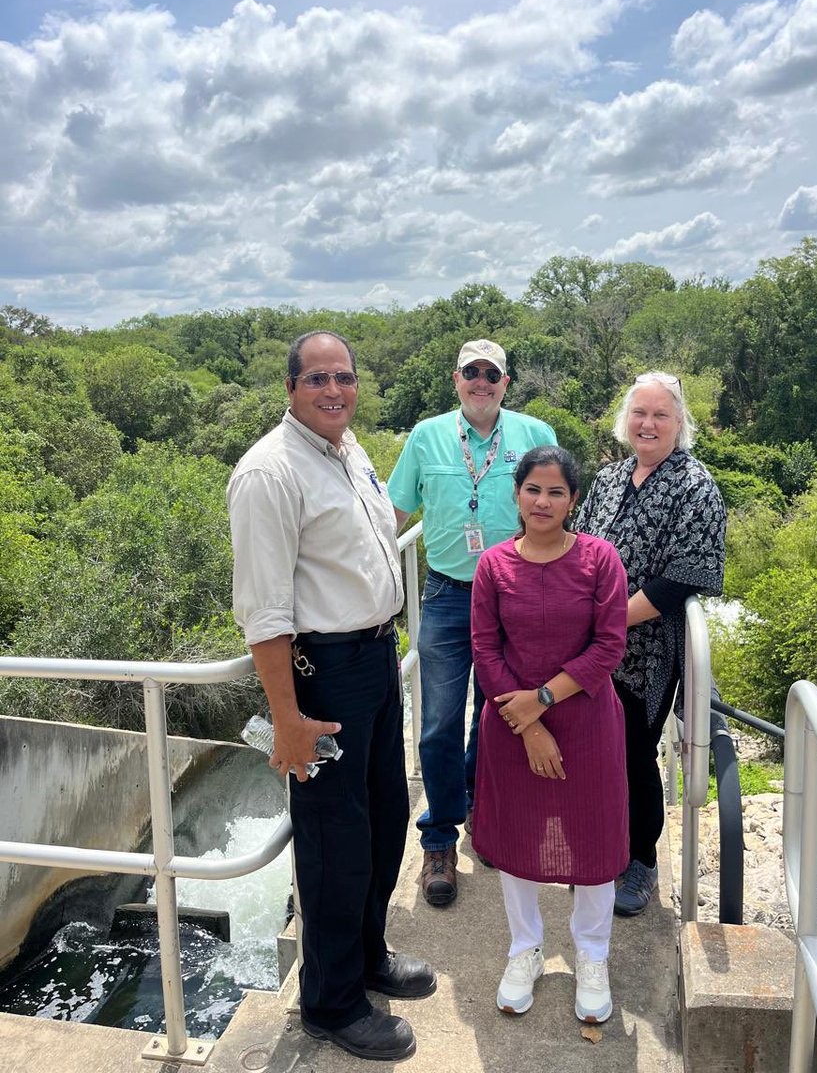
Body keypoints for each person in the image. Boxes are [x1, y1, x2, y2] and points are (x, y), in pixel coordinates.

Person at [227, 331, 435, 1064]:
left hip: (377, 656)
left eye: (343, 376)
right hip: (324, 672)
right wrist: (286, 718)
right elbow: (264, 612)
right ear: (290, 388)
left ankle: (367, 956)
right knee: (333, 843)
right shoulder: (269, 473)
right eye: (316, 378)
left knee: (385, 820)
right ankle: (331, 1001)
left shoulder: (349, 452)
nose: (333, 389)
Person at [387, 339, 556, 907]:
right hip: (447, 594)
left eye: (492, 373)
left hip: (514, 594)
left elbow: (555, 509)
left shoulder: (534, 434)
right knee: (436, 720)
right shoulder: (426, 436)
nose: (481, 382)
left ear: (506, 382)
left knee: (500, 711)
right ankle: (439, 838)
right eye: (470, 372)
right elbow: (392, 514)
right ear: (455, 379)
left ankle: (484, 809)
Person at [470, 445, 629, 1022]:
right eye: (533, 489)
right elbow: (485, 651)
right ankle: (525, 948)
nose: (543, 501)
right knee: (518, 837)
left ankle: (592, 954)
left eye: (556, 491)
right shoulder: (492, 565)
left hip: (586, 721)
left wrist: (541, 702)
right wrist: (528, 724)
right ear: (516, 494)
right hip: (511, 723)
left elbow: (609, 645)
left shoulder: (600, 560)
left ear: (574, 500)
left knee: (593, 838)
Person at [576, 372, 726, 917]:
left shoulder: (695, 486)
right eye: (640, 413)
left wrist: (609, 618)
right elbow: (582, 550)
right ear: (626, 420)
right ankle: (599, 845)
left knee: (635, 752)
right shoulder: (610, 479)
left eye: (661, 415)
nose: (648, 424)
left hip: (649, 650)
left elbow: (681, 578)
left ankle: (638, 859)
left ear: (679, 422)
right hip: (592, 642)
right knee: (593, 747)